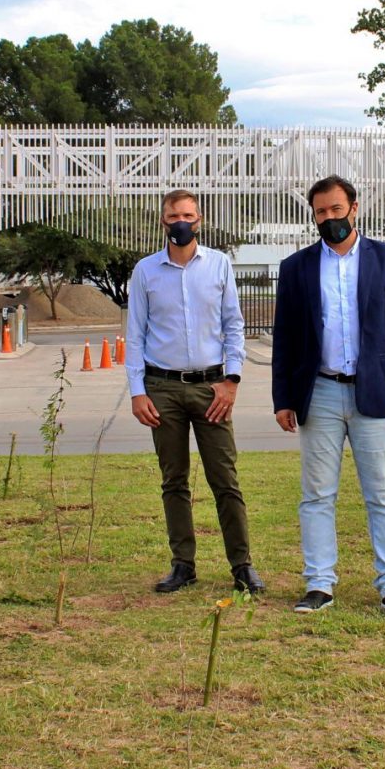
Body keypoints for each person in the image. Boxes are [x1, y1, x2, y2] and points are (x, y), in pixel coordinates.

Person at [272, 175, 385, 616]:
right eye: (320, 212)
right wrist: (283, 398)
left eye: (336, 209)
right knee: (316, 495)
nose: (329, 218)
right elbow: (285, 339)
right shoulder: (295, 267)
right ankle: (320, 584)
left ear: (354, 208)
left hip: (374, 394)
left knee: (383, 494)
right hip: (318, 392)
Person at [125, 189, 264, 595]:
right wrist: (137, 391)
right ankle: (182, 564)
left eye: (187, 214)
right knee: (174, 481)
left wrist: (232, 380)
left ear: (199, 219)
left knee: (225, 479)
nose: (180, 222)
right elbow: (135, 335)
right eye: (173, 216)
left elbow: (233, 325)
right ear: (163, 221)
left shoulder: (219, 265)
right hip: (162, 388)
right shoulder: (146, 271)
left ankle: (242, 566)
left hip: (211, 388)